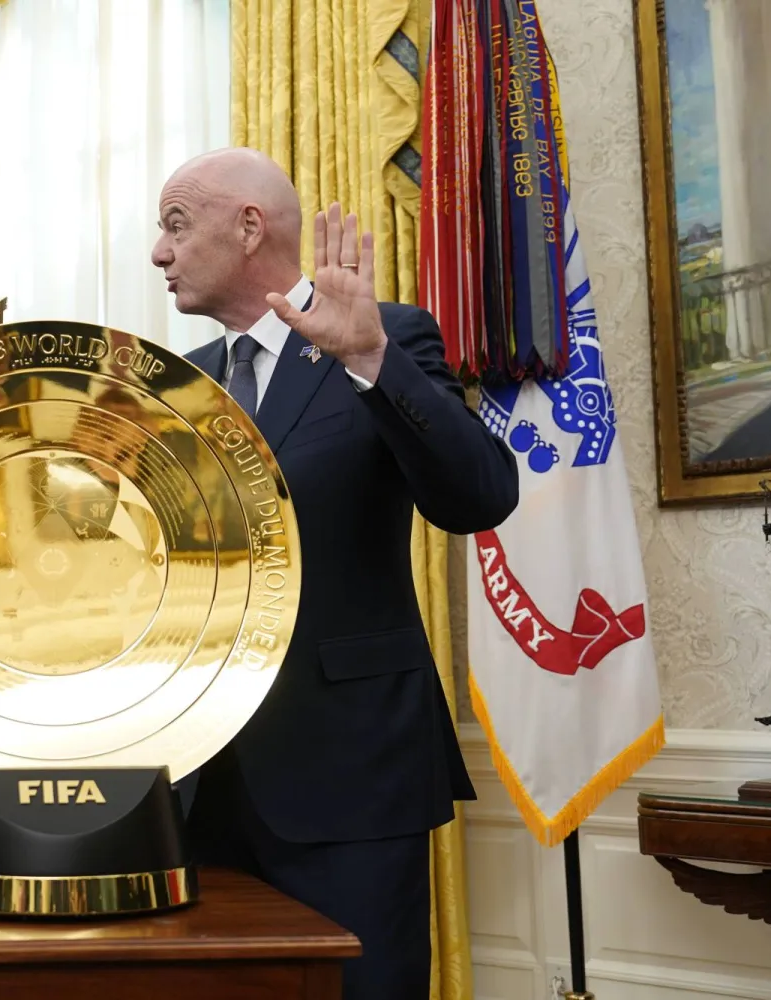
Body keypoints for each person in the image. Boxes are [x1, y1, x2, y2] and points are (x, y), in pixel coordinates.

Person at [152, 147, 518, 998]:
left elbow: (480, 496)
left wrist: (371, 364)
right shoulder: (180, 387)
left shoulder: (387, 337)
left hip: (351, 777)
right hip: (199, 785)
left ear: (249, 228)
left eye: (176, 225)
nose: (159, 253)